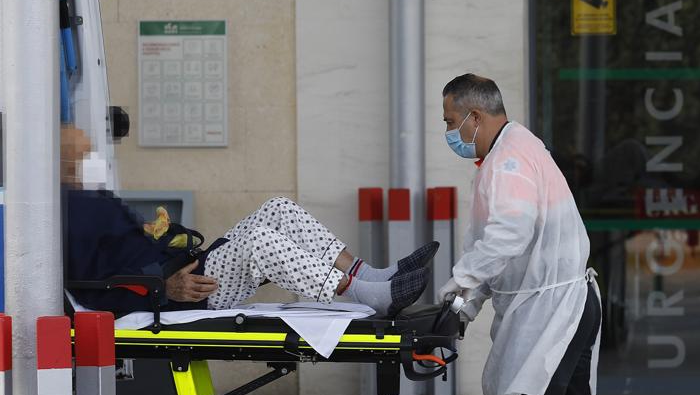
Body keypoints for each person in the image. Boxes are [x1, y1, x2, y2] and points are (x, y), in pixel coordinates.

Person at [434, 74, 609, 395]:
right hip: (569, 302)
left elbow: (509, 234)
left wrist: (459, 285)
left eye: (450, 121)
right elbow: (505, 250)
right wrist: (465, 304)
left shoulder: (508, 161)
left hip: (551, 310)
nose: (449, 132)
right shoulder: (517, 149)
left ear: (475, 117)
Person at [58, 126, 435, 317]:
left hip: (184, 268)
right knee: (259, 242)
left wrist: (163, 234)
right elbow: (92, 286)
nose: (93, 161)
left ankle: (370, 275)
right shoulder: (67, 213)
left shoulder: (91, 200)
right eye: (83, 155)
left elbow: (124, 249)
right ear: (62, 163)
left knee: (278, 208)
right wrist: (163, 288)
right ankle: (365, 295)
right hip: (179, 292)